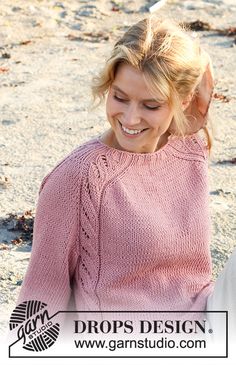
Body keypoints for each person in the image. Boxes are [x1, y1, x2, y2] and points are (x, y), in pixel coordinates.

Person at [16, 16, 235, 347]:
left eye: (151, 105)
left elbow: (201, 73)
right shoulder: (78, 178)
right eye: (119, 97)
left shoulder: (189, 145)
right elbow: (41, 293)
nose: (130, 119)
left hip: (204, 324)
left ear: (184, 101)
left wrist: (183, 57)